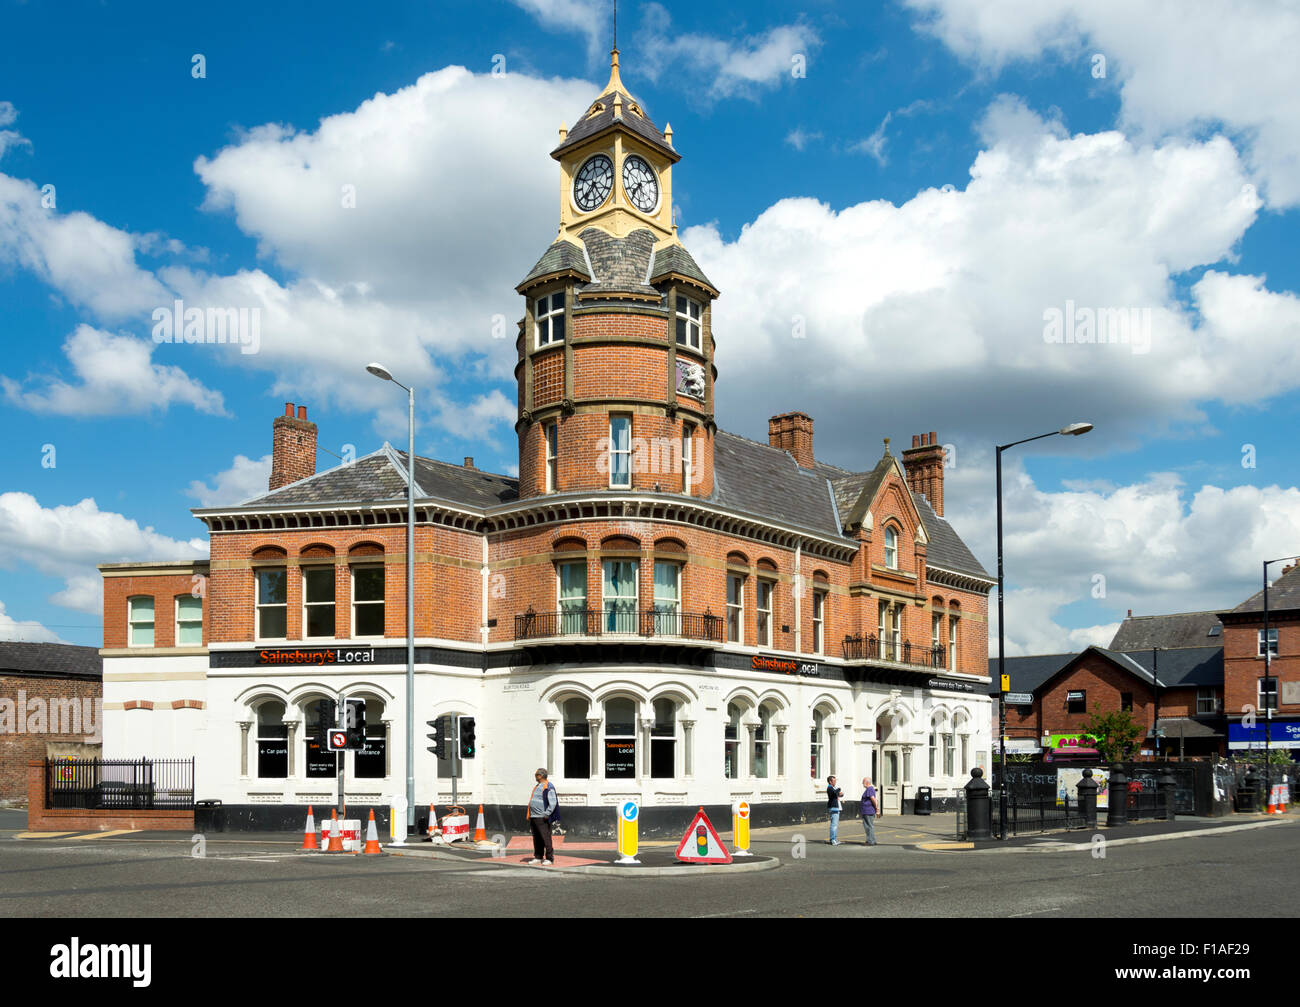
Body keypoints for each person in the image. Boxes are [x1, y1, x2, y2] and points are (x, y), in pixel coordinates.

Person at [525, 767, 557, 865]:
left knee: (545, 837)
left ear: (540, 775)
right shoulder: (538, 786)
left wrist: (547, 813)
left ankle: (550, 858)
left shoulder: (548, 786)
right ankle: (538, 856)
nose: (535, 777)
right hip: (534, 816)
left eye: (536, 775)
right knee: (537, 837)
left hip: (542, 817)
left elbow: (553, 802)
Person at [860, 776, 878, 846]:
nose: (862, 783)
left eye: (863, 782)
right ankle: (872, 840)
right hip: (867, 810)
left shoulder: (869, 789)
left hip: (868, 811)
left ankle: (870, 841)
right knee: (869, 826)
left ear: (867, 783)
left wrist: (876, 808)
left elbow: (873, 799)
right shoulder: (870, 789)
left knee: (868, 826)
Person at [826, 775, 843, 845]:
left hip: (836, 807)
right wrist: (839, 789)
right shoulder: (829, 788)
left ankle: (834, 839)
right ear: (830, 781)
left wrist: (841, 794)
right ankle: (832, 839)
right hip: (833, 807)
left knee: (835, 824)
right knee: (834, 825)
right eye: (834, 781)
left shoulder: (833, 787)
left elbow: (836, 794)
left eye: (835, 780)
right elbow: (834, 793)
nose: (835, 782)